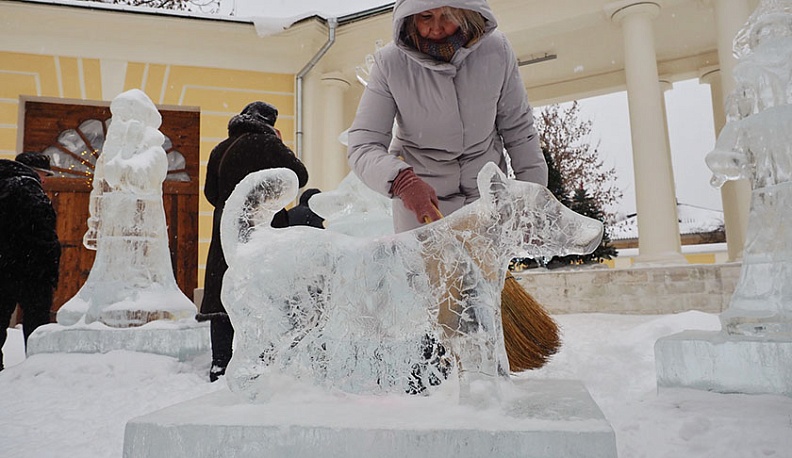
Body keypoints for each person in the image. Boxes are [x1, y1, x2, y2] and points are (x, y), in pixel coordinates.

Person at [347, 0, 548, 233]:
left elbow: (519, 131)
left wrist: (531, 202)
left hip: (487, 205)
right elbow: (364, 144)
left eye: (448, 15)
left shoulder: (496, 51)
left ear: (466, 12)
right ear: (411, 17)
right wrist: (402, 181)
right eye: (426, 17)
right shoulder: (390, 64)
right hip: (424, 210)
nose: (436, 28)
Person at [198, 101, 309, 382]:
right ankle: (266, 360)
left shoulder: (220, 149)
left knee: (223, 289)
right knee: (268, 293)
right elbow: (300, 176)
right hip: (264, 227)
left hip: (227, 226)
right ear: (270, 123)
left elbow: (211, 193)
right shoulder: (268, 144)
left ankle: (220, 363)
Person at [0, 152, 60, 371]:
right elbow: (42, 229)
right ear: (35, 172)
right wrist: (50, 262)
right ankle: (35, 370)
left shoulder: (4, 184)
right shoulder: (28, 188)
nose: (45, 180)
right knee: (36, 325)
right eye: (44, 175)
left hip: (3, 267)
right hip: (30, 270)